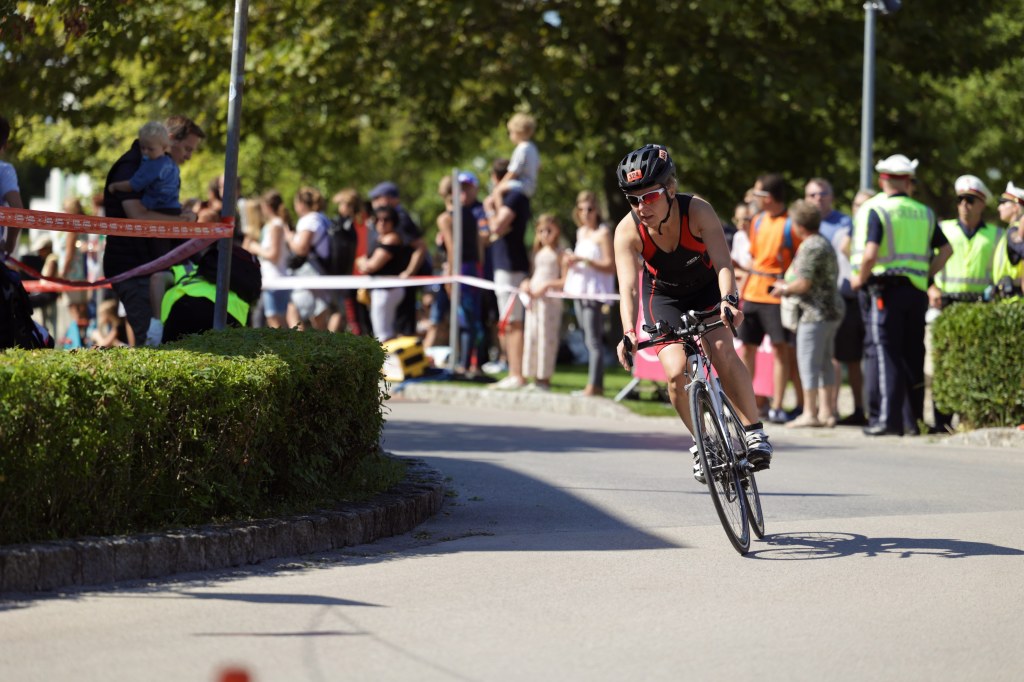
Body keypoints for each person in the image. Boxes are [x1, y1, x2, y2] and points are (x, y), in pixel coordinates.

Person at [612, 144, 772, 483]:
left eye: (650, 196)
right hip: (664, 296)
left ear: (670, 189)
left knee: (722, 349)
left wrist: (729, 300)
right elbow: (628, 288)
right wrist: (628, 331)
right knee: (674, 373)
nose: (642, 207)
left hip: (707, 289)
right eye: (633, 199)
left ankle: (754, 431)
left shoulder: (697, 210)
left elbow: (724, 263)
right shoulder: (627, 231)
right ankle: (703, 444)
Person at [850, 154, 952, 436]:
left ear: (883, 179)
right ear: (908, 180)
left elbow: (870, 254)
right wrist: (926, 274)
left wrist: (859, 278)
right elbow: (946, 251)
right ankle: (912, 421)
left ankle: (887, 420)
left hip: (885, 291)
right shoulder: (924, 212)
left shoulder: (879, 209)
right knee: (912, 354)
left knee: (886, 354)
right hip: (916, 292)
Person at [103, 115, 205, 345]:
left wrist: (182, 214)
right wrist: (182, 222)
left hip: (154, 266)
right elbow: (138, 215)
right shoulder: (131, 167)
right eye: (187, 149)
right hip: (135, 269)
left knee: (166, 344)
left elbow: (157, 209)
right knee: (152, 348)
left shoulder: (160, 166)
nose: (189, 156)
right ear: (169, 140)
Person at [928, 175, 1003, 432]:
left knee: (975, 364)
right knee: (944, 364)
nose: (964, 205)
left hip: (980, 305)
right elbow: (926, 263)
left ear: (982, 204)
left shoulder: (996, 235)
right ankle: (941, 421)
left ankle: (969, 419)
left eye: (970, 200)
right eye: (960, 199)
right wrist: (931, 286)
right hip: (946, 303)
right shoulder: (944, 228)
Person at [771, 200, 844, 428]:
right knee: (825, 362)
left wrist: (784, 289)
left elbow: (803, 283)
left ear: (799, 225)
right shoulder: (823, 242)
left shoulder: (810, 246)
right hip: (831, 311)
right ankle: (827, 413)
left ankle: (810, 413)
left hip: (814, 313)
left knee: (808, 363)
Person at [739, 173, 803, 424]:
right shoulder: (757, 221)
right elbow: (755, 257)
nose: (753, 198)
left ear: (768, 197)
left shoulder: (791, 224)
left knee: (780, 351)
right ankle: (746, 404)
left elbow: (799, 259)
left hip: (776, 297)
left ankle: (776, 406)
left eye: (757, 193)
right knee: (747, 349)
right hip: (753, 293)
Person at [805, 177, 865, 425]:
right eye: (812, 195)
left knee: (849, 358)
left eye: (823, 194)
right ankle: (829, 410)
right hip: (815, 302)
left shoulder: (845, 223)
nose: (818, 198)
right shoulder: (804, 224)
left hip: (845, 297)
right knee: (826, 358)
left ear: (832, 196)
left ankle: (855, 409)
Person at [484, 158, 531, 390]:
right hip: (505, 264)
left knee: (513, 322)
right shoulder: (515, 196)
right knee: (509, 322)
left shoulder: (514, 197)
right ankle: (513, 372)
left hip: (511, 265)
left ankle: (517, 374)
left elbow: (496, 226)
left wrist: (492, 204)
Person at [563, 190, 616, 397]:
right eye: (582, 209)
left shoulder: (603, 233)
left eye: (590, 209)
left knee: (593, 340)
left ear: (597, 210)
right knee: (587, 337)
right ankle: (594, 384)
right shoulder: (580, 232)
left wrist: (584, 260)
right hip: (579, 290)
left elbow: (610, 265)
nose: (586, 213)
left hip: (594, 292)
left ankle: (594, 386)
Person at [437, 171, 487, 373]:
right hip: (474, 269)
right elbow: (480, 247)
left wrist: (450, 276)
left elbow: (452, 249)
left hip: (461, 269)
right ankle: (472, 362)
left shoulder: (446, 218)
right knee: (473, 317)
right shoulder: (471, 214)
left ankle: (465, 364)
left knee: (465, 318)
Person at [368, 181, 428, 337]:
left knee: (403, 332)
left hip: (400, 284)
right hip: (391, 284)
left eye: (378, 198)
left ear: (390, 198)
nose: (375, 203)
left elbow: (420, 246)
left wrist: (409, 272)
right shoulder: (387, 218)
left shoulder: (401, 218)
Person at [520, 213, 567, 392]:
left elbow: (565, 280)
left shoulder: (561, 252)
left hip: (549, 301)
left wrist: (547, 286)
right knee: (532, 335)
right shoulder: (537, 252)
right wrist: (526, 283)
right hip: (534, 299)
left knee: (546, 338)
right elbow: (534, 274)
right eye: (541, 231)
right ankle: (533, 375)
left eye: (549, 230)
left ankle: (544, 377)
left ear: (556, 231)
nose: (545, 234)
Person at [355, 205, 413, 343]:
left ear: (393, 222)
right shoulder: (379, 238)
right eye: (377, 219)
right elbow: (362, 262)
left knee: (383, 335)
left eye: (386, 219)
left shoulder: (391, 238)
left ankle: (387, 357)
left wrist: (363, 263)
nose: (381, 223)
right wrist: (363, 263)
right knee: (382, 332)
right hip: (380, 291)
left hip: (387, 291)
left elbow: (371, 266)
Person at [106, 122, 182, 215]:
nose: (145, 152)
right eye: (142, 148)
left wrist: (115, 186)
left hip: (158, 207)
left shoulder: (153, 165)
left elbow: (133, 185)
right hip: (174, 206)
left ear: (164, 147)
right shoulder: (170, 163)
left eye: (150, 149)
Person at [284, 186, 332, 331]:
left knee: (293, 310)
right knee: (318, 317)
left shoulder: (308, 220)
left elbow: (302, 249)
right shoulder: (322, 218)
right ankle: (323, 344)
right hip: (321, 270)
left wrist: (290, 238)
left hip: (310, 272)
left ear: (301, 204)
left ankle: (299, 345)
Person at [242, 189, 292, 329]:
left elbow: (273, 255)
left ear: (267, 206)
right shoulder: (272, 225)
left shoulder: (276, 225)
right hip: (270, 279)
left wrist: (255, 248)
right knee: (274, 319)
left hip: (276, 279)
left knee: (275, 320)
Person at [490, 112, 540, 209]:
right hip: (531, 186)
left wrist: (500, 184)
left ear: (518, 132)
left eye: (511, 132)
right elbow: (538, 167)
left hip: (522, 185)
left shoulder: (521, 148)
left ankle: (500, 213)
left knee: (497, 191)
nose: (510, 135)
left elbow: (513, 172)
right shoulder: (532, 147)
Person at [993, 182, 1024, 294]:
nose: (999, 207)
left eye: (1003, 203)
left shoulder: (1014, 231)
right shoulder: (1010, 230)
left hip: (1014, 299)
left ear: (1015, 207)